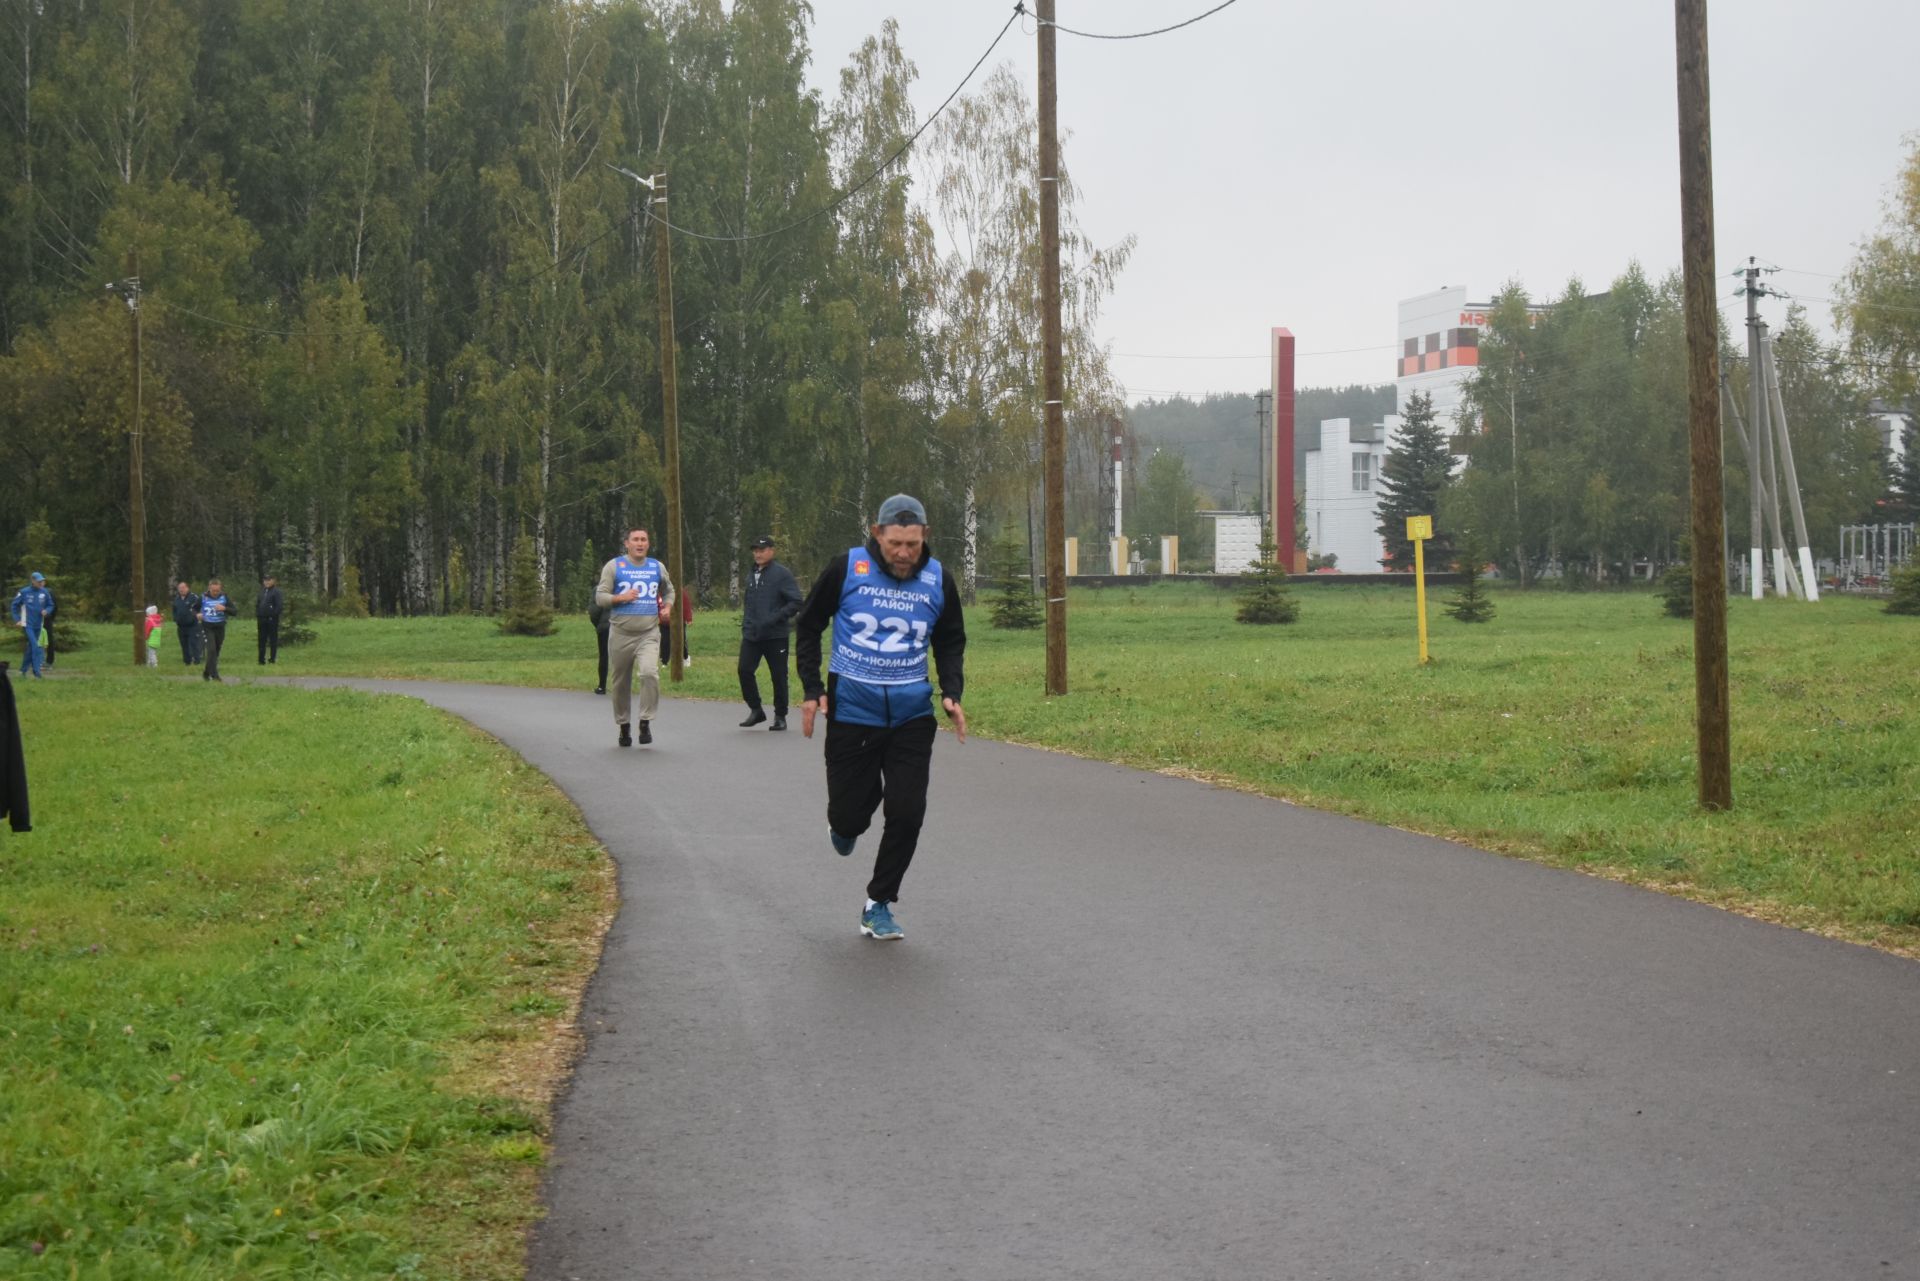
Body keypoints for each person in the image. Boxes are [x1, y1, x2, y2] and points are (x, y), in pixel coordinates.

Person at [796, 493, 966, 942]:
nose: (905, 553)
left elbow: (950, 639)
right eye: (895, 543)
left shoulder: (937, 579)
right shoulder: (847, 568)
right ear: (877, 533)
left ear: (924, 536)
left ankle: (879, 903)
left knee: (908, 811)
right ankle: (844, 824)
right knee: (851, 817)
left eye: (912, 543)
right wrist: (812, 689)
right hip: (853, 712)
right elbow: (809, 624)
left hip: (912, 715)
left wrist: (952, 692)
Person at [593, 527, 676, 747]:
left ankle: (645, 721)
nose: (640, 543)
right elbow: (600, 597)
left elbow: (669, 590)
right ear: (627, 543)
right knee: (620, 682)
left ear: (648, 544)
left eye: (644, 540)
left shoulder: (656, 567)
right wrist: (621, 598)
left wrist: (667, 607)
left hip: (648, 632)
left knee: (649, 673)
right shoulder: (614, 566)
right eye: (635, 540)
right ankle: (624, 726)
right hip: (621, 633)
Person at [737, 534, 802, 730]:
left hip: (776, 635)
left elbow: (796, 602)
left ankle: (780, 716)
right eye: (755, 550)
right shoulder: (751, 574)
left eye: (762, 550)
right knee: (744, 670)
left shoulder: (782, 574)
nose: (758, 554)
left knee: (779, 676)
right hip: (752, 634)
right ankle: (756, 709)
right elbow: (749, 602)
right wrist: (747, 623)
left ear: (771, 551)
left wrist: (775, 617)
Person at [9, 572, 53, 679]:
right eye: (39, 581)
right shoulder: (24, 592)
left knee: (30, 648)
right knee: (36, 646)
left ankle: (22, 671)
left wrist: (46, 611)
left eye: (42, 581)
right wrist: (17, 619)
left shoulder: (45, 592)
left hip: (39, 624)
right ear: (32, 581)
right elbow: (14, 606)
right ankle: (37, 672)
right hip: (27, 624)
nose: (41, 583)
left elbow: (51, 604)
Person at [199, 577, 233, 682]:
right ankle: (215, 676)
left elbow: (235, 611)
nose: (215, 593)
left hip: (220, 627)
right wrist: (197, 614)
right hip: (207, 627)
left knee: (215, 652)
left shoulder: (224, 597)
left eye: (217, 591)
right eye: (213, 591)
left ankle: (206, 672)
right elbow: (193, 609)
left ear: (220, 589)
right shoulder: (203, 597)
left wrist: (225, 608)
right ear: (209, 588)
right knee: (211, 650)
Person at [171, 580, 204, 667]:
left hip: (192, 626)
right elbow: (174, 610)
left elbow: (200, 608)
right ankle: (187, 662)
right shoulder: (177, 599)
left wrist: (197, 616)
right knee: (184, 644)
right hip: (181, 626)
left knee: (193, 643)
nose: (181, 590)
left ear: (187, 588)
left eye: (183, 588)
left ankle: (197, 661)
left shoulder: (193, 597)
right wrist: (175, 619)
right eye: (180, 588)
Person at [660, 590, 694, 668]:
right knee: (664, 642)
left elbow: (686, 606)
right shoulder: (660, 591)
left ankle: (685, 657)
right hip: (664, 622)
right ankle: (664, 662)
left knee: (680, 641)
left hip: (678, 622)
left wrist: (689, 619)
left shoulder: (680, 592)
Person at [256, 573, 284, 665]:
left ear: (273, 580)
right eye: (265, 580)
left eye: (269, 580)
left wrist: (273, 615)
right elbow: (258, 603)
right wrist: (258, 614)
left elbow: (279, 606)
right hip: (261, 619)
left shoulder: (276, 592)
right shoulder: (262, 591)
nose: (267, 582)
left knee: (272, 639)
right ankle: (261, 659)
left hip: (272, 619)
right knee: (261, 639)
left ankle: (272, 658)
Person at [588, 590, 611, 695]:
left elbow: (594, 611)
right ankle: (624, 686)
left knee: (604, 655)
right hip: (622, 625)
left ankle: (602, 685)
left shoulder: (600, 589)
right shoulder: (625, 585)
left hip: (605, 625)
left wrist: (598, 624)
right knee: (624, 656)